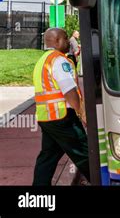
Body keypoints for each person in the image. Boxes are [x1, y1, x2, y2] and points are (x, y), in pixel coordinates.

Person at [32, 28, 90, 186]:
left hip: (48, 117)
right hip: (63, 117)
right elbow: (69, 90)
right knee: (84, 153)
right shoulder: (59, 60)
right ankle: (100, 180)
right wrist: (82, 113)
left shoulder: (43, 60)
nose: (68, 42)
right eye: (65, 39)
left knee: (48, 157)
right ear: (57, 41)